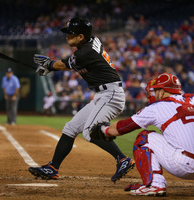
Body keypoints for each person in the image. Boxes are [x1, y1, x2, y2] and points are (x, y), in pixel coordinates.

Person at [28, 17, 135, 182]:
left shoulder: (86, 52)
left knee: (90, 131)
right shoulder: (90, 42)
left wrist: (49, 65)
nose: (67, 36)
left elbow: (65, 65)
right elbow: (71, 64)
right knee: (70, 128)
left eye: (71, 34)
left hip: (111, 94)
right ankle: (52, 168)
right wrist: (50, 67)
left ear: (81, 37)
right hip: (102, 95)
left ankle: (123, 159)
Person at [90, 72, 194, 196]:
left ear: (162, 92)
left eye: (156, 91)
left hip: (184, 165)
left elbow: (124, 127)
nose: (154, 94)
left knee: (144, 138)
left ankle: (155, 185)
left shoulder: (157, 107)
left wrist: (104, 130)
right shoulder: (192, 99)